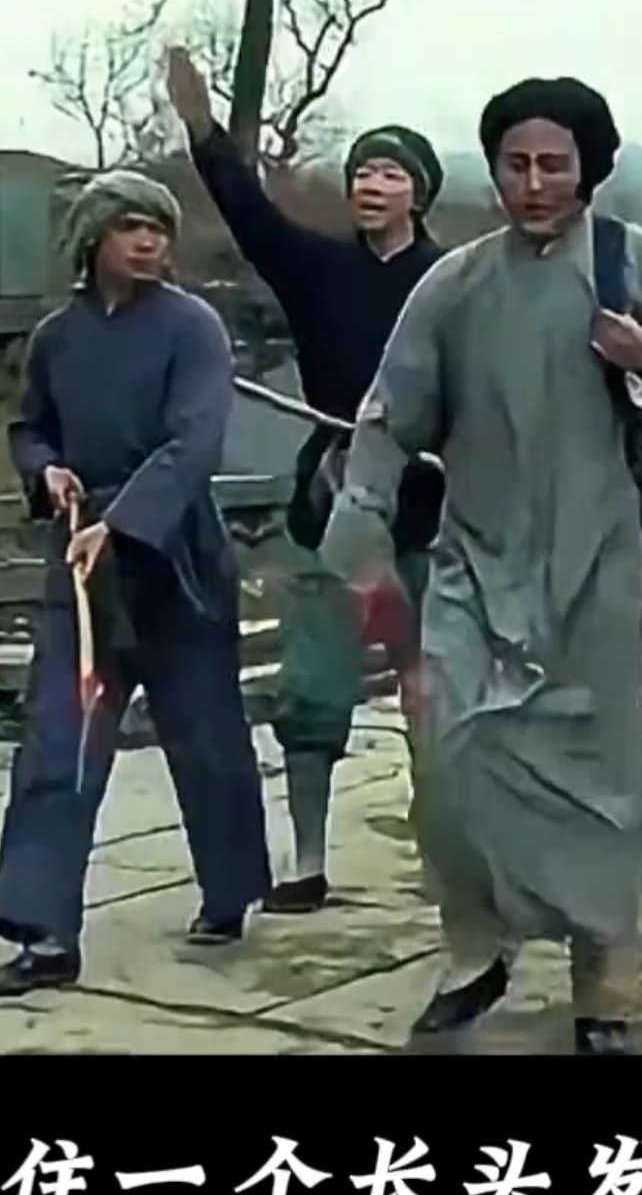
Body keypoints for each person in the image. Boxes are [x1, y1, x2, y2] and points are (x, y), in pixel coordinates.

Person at [320, 76, 642, 1056]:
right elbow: (389, 415)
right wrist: (362, 524)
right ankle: (475, 949)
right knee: (450, 770)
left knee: (600, 792)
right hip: (476, 569)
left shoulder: (631, 260)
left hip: (598, 571)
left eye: (554, 165)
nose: (533, 184)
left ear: (589, 169)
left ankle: (605, 990)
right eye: (516, 164)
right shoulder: (454, 285)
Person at [163, 47, 448, 915]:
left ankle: (447, 850)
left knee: (433, 688)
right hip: (328, 501)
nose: (370, 184)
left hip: (431, 507)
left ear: (419, 193)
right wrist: (205, 133)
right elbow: (250, 214)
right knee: (312, 689)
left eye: (389, 173)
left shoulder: (453, 283)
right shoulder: (320, 268)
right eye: (361, 170)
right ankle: (309, 860)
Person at [0, 169, 273, 997]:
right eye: (131, 226)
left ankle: (230, 889)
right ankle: (43, 932)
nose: (149, 242)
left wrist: (124, 521)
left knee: (205, 735)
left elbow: (195, 441)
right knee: (59, 737)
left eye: (159, 228)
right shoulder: (57, 336)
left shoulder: (194, 328)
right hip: (82, 568)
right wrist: (46, 471)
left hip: (177, 559)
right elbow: (29, 426)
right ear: (93, 237)